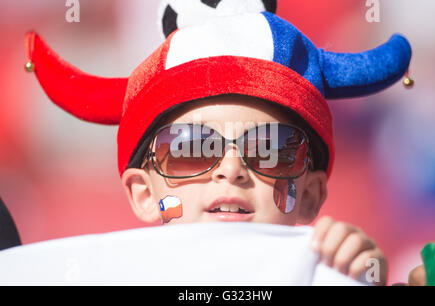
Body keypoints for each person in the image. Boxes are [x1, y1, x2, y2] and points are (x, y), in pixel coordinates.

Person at [23, 3, 411, 286]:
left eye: (270, 150)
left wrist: (359, 280)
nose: (231, 169)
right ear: (143, 193)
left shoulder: (338, 271)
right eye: (190, 149)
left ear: (309, 195)